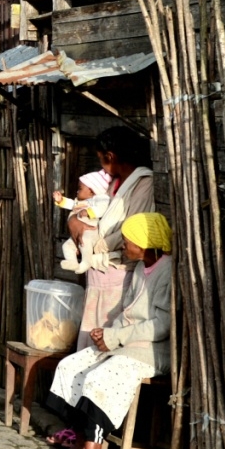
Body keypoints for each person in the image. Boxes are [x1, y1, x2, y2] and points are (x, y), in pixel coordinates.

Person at [45, 213, 173, 449]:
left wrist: (115, 337)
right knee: (71, 367)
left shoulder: (168, 271)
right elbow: (127, 312)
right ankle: (80, 445)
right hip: (126, 342)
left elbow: (162, 326)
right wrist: (106, 335)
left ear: (146, 243)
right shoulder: (140, 268)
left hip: (150, 351)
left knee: (98, 380)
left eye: (129, 241)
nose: (124, 245)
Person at [70, 127, 154, 350]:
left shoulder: (143, 183)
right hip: (99, 271)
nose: (101, 166)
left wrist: (95, 244)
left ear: (111, 156)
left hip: (120, 272)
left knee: (108, 333)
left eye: (101, 159)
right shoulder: (113, 183)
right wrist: (76, 220)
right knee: (91, 331)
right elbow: (92, 211)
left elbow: (132, 228)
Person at [54, 169, 112, 274]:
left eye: (79, 188)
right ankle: (72, 262)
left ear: (92, 190)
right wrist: (61, 200)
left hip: (90, 232)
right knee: (66, 246)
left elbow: (103, 207)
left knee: (84, 244)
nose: (77, 191)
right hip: (78, 233)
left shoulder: (99, 198)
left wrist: (89, 211)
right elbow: (71, 204)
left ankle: (86, 263)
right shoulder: (79, 202)